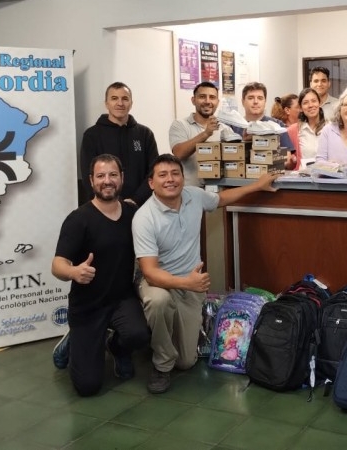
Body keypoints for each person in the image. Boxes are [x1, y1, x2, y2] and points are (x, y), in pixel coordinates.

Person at [132, 154, 279, 394]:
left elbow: (221, 199)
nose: (170, 180)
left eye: (175, 173)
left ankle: (163, 338)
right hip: (158, 282)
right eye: (162, 175)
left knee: (187, 362)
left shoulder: (193, 196)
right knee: (159, 302)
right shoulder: (144, 218)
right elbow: (150, 273)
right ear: (151, 183)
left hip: (190, 285)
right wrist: (187, 283)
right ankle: (161, 363)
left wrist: (256, 186)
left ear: (182, 177)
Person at [51, 154, 151, 397]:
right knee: (88, 387)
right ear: (91, 181)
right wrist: (74, 271)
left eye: (113, 175)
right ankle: (75, 339)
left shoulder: (132, 213)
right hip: (88, 306)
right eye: (101, 176)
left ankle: (114, 346)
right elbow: (57, 265)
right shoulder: (78, 219)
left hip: (121, 300)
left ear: (122, 178)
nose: (108, 181)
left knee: (139, 336)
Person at [80, 82, 159, 206]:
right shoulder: (92, 135)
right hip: (105, 207)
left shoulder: (145, 134)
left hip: (141, 206)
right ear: (106, 103)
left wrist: (135, 200)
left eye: (125, 99)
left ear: (131, 103)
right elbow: (88, 175)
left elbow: (154, 171)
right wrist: (113, 202)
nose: (120, 103)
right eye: (114, 98)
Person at [169, 81, 242, 187]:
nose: (207, 101)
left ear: (217, 102)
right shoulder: (180, 125)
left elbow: (236, 160)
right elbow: (179, 154)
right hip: (189, 193)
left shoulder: (225, 129)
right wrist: (206, 134)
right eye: (202, 97)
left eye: (212, 97)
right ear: (193, 100)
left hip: (218, 193)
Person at [227, 82, 294, 149]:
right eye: (250, 98)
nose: (256, 102)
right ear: (243, 101)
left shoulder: (278, 125)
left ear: (265, 102)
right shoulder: (232, 127)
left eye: (260, 98)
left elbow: (287, 156)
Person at [285, 88, 327, 170]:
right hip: (302, 180)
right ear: (300, 108)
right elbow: (288, 165)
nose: (310, 105)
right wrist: (290, 162)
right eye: (305, 103)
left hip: (326, 179)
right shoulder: (292, 131)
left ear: (320, 103)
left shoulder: (330, 128)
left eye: (314, 101)